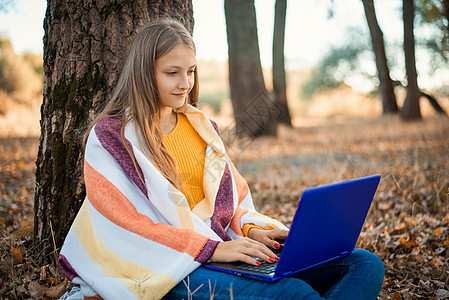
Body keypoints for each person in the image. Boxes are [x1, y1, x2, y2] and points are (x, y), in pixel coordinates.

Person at [57, 19, 385, 300]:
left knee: (363, 264)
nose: (185, 83)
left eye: (190, 71)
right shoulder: (111, 137)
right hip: (161, 264)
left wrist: (252, 229)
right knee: (294, 293)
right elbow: (124, 224)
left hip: (218, 251)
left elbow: (231, 203)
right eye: (172, 72)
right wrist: (210, 249)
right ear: (144, 73)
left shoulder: (202, 128)